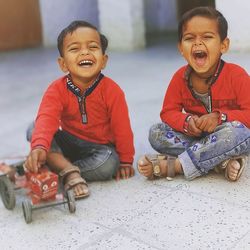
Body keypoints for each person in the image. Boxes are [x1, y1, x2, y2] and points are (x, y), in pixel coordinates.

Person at [138, 6, 250, 182]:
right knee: (156, 132)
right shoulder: (179, 78)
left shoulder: (237, 75)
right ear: (181, 48)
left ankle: (176, 166)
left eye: (207, 37)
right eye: (189, 38)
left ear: (224, 45)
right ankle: (220, 162)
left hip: (227, 135)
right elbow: (167, 112)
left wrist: (220, 117)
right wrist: (187, 122)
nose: (197, 43)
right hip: (197, 136)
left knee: (240, 132)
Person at [25, 20, 135, 198]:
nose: (85, 52)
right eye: (75, 49)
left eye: (92, 47)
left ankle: (60, 168)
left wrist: (125, 161)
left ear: (104, 60)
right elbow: (47, 117)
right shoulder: (56, 89)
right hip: (69, 141)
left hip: (99, 148)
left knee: (109, 164)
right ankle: (66, 169)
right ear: (63, 64)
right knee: (35, 127)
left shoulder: (112, 91)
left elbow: (122, 128)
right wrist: (39, 146)